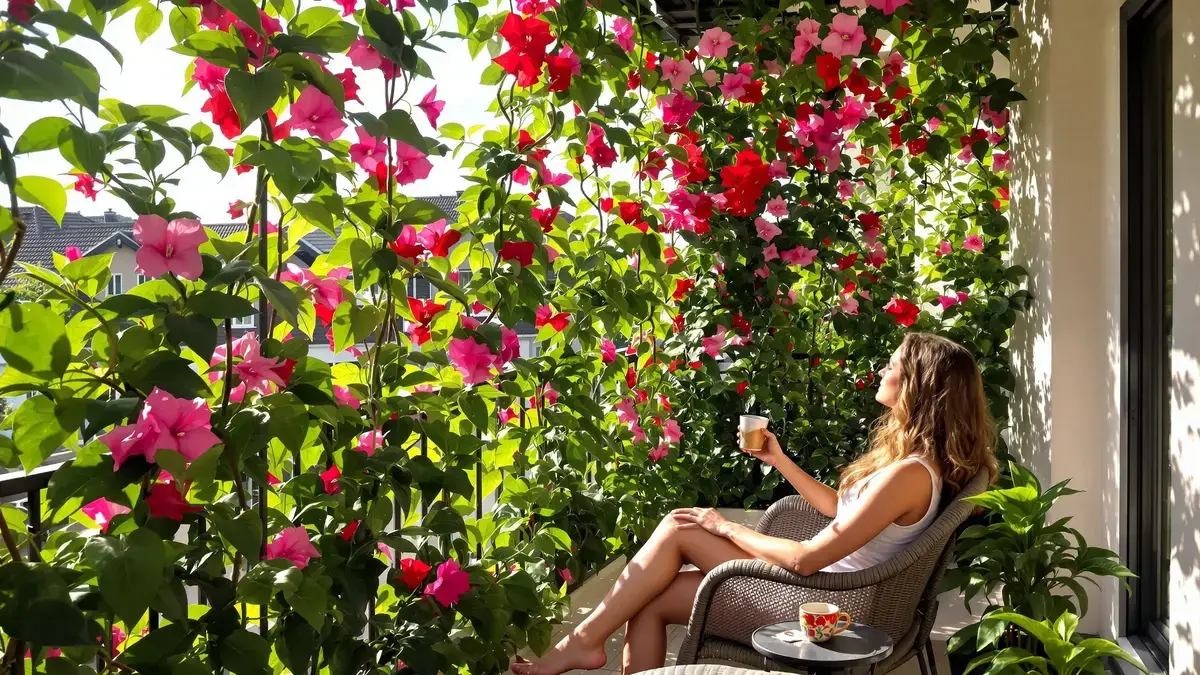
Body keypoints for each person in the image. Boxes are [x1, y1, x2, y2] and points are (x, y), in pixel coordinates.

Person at [512, 332, 998, 675]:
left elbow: (808, 558)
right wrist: (780, 459)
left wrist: (725, 528)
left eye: (893, 365)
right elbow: (839, 511)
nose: (883, 369)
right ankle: (586, 646)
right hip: (829, 588)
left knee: (682, 527)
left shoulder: (910, 474)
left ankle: (581, 644)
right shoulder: (915, 463)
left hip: (823, 605)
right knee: (649, 599)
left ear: (918, 383)